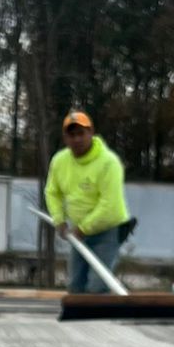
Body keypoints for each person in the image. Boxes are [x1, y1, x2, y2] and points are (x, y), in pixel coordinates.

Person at [43, 109, 131, 294]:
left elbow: (110, 205)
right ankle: (77, 320)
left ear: (91, 132)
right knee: (75, 286)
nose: (77, 139)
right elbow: (52, 192)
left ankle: (102, 320)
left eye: (81, 133)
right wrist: (59, 219)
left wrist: (83, 228)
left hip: (107, 231)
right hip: (79, 233)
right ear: (65, 138)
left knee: (97, 286)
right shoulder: (59, 161)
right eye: (71, 134)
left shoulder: (108, 163)